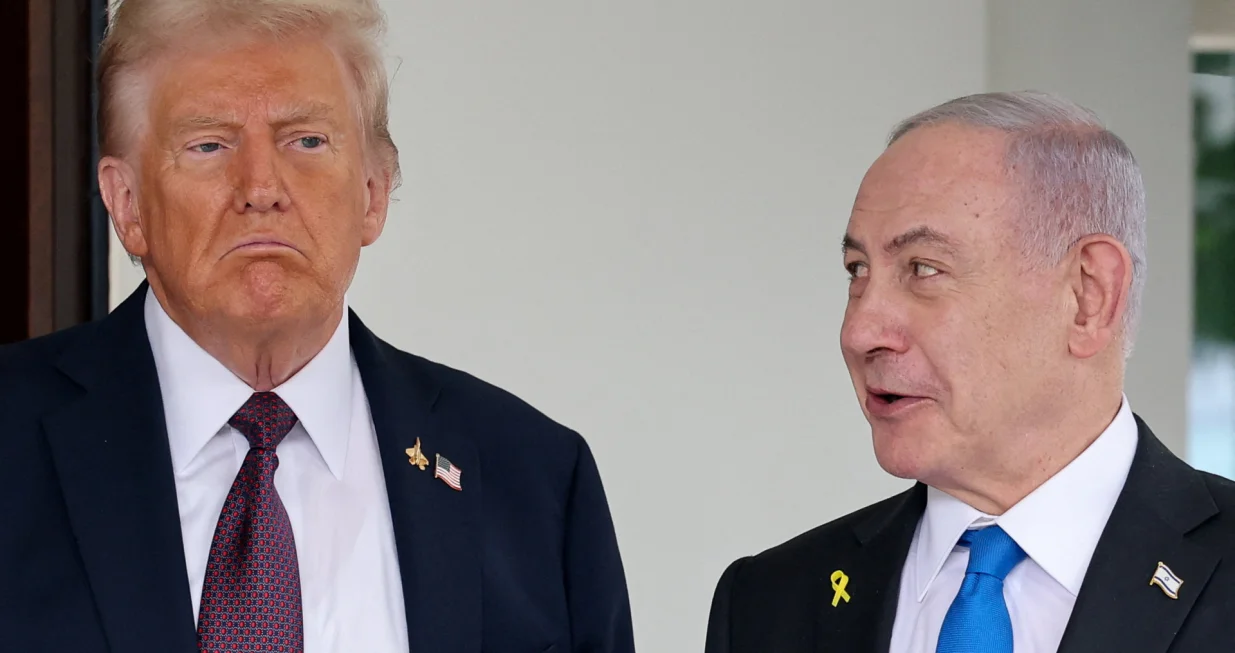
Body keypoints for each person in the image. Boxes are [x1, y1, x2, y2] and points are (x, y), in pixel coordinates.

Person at [0, 1, 634, 651]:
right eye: (209, 144)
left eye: (305, 139)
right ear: (127, 204)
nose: (260, 186)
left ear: (373, 191)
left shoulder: (534, 481)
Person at [704, 91, 1235, 653]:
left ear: (1088, 296)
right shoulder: (770, 601)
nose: (860, 331)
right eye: (857, 271)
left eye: (923, 269)